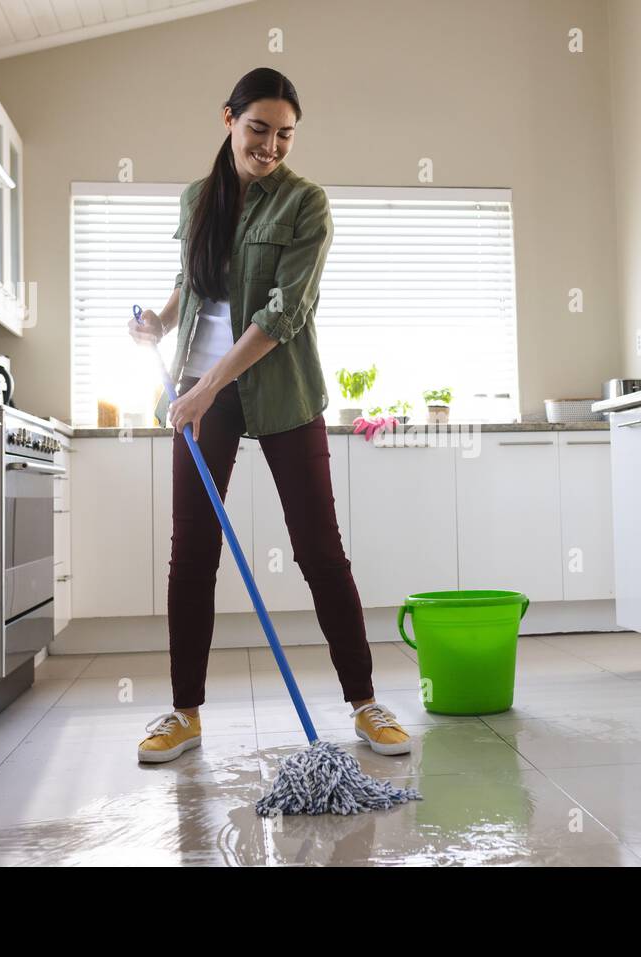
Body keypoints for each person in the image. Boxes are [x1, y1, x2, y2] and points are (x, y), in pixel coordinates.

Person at [127, 67, 411, 763]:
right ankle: (184, 712)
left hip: (280, 388)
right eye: (259, 129)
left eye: (284, 134)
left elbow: (284, 311)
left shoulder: (306, 204)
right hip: (200, 389)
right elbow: (189, 288)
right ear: (228, 118)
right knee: (192, 553)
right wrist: (157, 324)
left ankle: (366, 702)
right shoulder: (198, 199)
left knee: (319, 548)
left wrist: (205, 387)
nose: (271, 146)